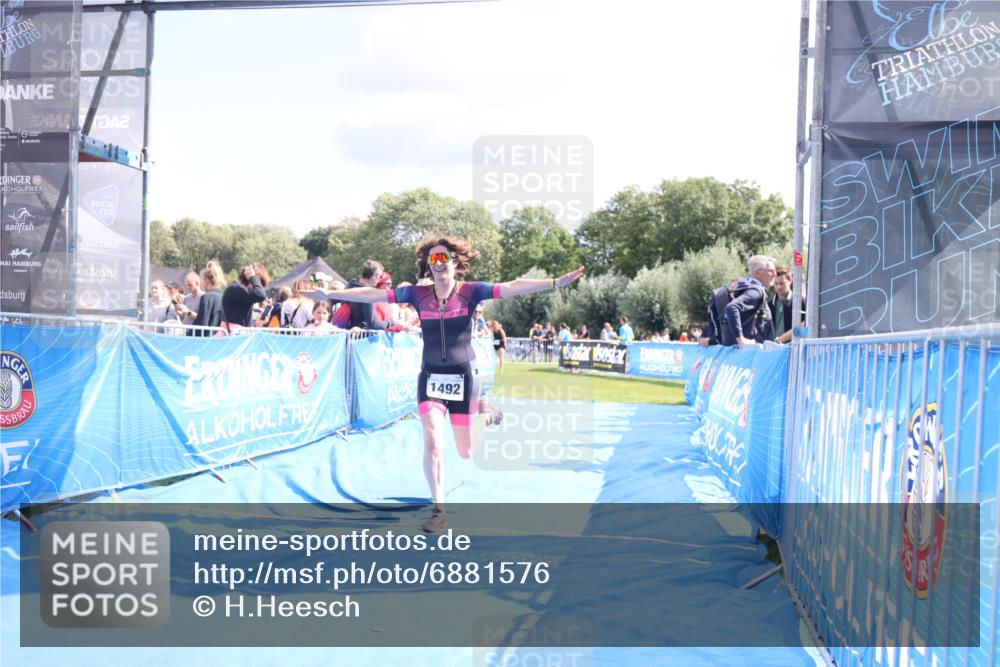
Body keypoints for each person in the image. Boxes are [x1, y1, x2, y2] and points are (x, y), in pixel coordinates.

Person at [324, 235, 584, 532]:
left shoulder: (472, 291)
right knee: (433, 440)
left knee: (466, 451)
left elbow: (512, 286)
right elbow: (373, 295)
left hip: (463, 377)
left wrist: (555, 283)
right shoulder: (417, 294)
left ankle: (487, 414)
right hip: (430, 377)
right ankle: (438, 510)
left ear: (454, 261)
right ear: (428, 265)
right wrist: (332, 293)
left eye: (443, 257)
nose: (438, 262)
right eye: (432, 258)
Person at [723, 255, 776, 347]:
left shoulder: (748, 288)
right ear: (758, 273)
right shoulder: (757, 291)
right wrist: (741, 339)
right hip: (752, 351)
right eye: (771, 271)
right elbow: (732, 307)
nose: (774, 274)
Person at [222, 262, 269, 332]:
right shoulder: (235, 289)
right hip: (233, 336)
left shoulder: (241, 292)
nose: (258, 287)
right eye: (257, 284)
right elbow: (260, 295)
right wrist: (253, 277)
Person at [768, 265, 804, 344]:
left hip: (795, 346)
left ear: (790, 280)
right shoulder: (769, 304)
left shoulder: (801, 302)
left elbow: (807, 329)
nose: (779, 287)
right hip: (772, 347)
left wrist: (783, 339)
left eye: (782, 283)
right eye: (776, 284)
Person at [191, 267, 224, 335]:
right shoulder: (223, 296)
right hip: (220, 338)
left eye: (201, 279)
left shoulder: (206, 297)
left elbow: (201, 323)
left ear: (206, 280)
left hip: (207, 338)